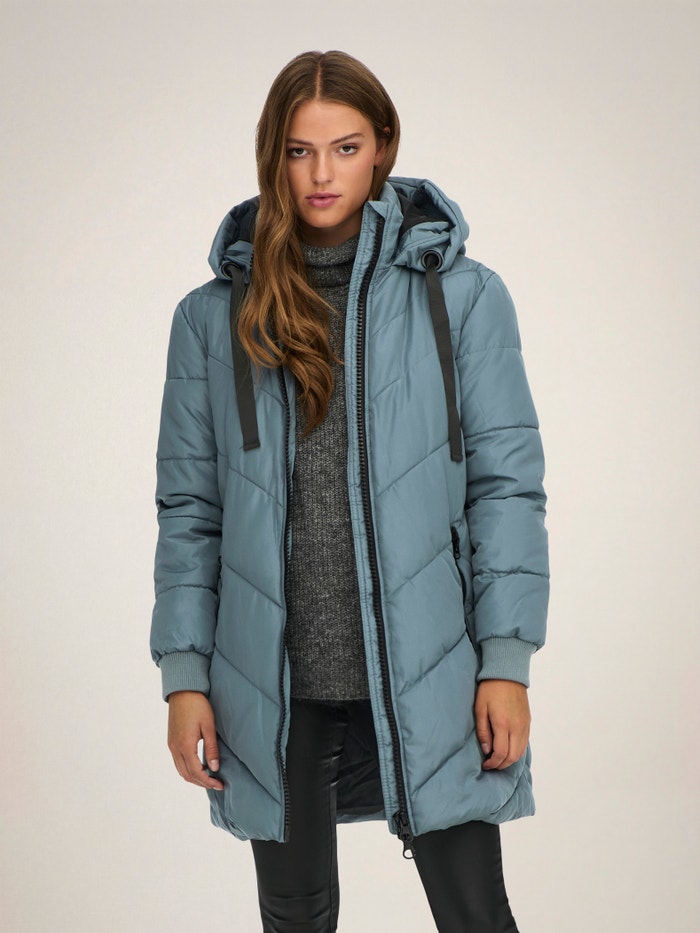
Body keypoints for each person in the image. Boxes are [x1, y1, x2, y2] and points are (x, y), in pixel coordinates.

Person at [150, 49, 549, 933]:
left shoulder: (463, 297)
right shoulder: (213, 318)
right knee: (295, 917)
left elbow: (506, 489)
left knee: (475, 914)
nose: (321, 174)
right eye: (299, 151)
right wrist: (185, 676)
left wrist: (504, 661)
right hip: (273, 680)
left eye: (345, 147)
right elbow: (191, 510)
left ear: (383, 146)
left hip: (431, 665)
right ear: (273, 155)